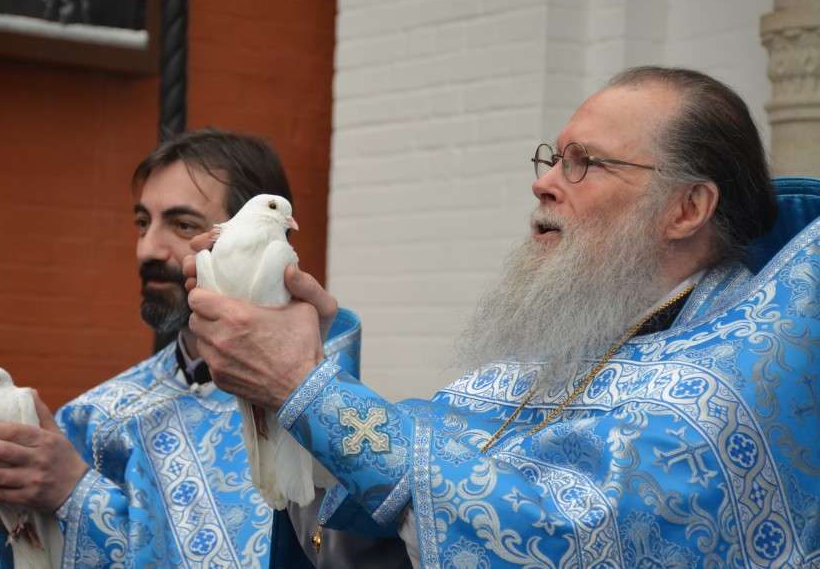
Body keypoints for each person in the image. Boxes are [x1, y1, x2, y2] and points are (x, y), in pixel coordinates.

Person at [186, 67, 820, 567]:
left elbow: (556, 539)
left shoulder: (727, 395)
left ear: (686, 209)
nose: (544, 184)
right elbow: (378, 521)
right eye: (553, 158)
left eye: (583, 162)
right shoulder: (552, 360)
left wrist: (306, 388)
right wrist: (301, 356)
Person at [0, 127, 363, 568]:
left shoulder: (325, 418)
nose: (147, 249)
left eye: (183, 225)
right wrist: (11, 515)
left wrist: (76, 496)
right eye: (143, 223)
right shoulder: (94, 417)